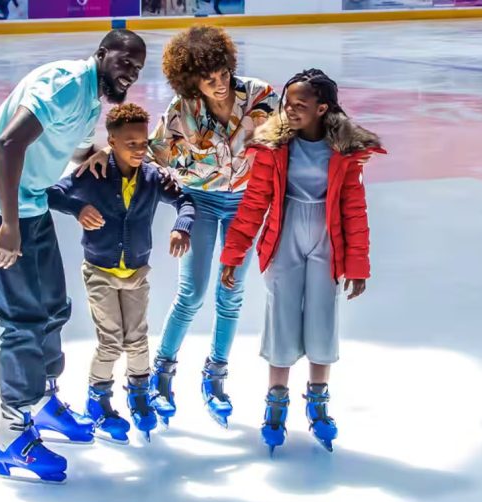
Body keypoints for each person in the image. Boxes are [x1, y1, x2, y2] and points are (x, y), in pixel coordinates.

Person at [0, 29, 146, 483]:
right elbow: (9, 143)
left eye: (137, 69)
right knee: (22, 320)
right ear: (102, 54)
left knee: (54, 308)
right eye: (124, 61)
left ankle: (41, 402)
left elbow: (63, 153)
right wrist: (8, 224)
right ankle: (10, 435)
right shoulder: (63, 85)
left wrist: (90, 163)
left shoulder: (91, 104)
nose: (131, 73)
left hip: (30, 203)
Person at [81, 25, 277, 429]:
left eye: (223, 74)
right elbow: (150, 152)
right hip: (200, 201)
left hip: (245, 203)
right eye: (209, 79)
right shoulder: (180, 110)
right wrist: (106, 152)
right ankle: (162, 373)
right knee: (191, 292)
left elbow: (285, 137)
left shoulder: (259, 94)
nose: (219, 84)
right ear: (191, 80)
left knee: (232, 292)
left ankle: (215, 375)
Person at [219, 69, 385, 455]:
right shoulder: (274, 146)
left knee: (322, 318)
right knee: (282, 316)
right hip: (285, 233)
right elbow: (254, 202)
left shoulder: (344, 150)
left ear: (322, 109)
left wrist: (358, 264)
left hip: (327, 240)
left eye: (300, 105)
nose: (290, 111)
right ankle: (276, 401)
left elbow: (353, 209)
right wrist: (234, 253)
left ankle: (318, 400)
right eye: (287, 104)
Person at [47, 103, 195, 445]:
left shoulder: (153, 177)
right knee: (111, 340)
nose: (139, 149)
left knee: (138, 337)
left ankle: (139, 392)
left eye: (143, 143)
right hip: (100, 271)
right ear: (111, 142)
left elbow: (185, 201)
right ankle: (98, 399)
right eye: (130, 143)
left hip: (137, 272)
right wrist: (78, 207)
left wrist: (182, 226)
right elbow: (53, 194)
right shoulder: (93, 174)